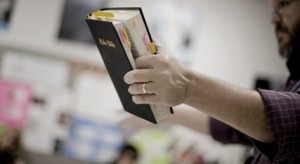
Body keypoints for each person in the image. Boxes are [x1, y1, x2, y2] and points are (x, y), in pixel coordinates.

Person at [123, 0, 300, 163]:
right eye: (273, 9)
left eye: (283, 4)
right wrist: (165, 115)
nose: (274, 18)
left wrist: (186, 84)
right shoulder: (293, 81)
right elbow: (236, 126)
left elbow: (290, 122)